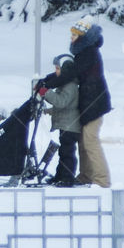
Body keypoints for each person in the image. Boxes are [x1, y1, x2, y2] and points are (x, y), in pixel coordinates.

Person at [38, 15, 112, 187]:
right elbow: (65, 73)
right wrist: (45, 82)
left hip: (95, 104)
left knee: (90, 141)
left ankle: (102, 180)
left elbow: (69, 75)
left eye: (75, 35)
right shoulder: (83, 53)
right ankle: (86, 176)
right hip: (87, 105)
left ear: (84, 37)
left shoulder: (89, 53)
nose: (71, 38)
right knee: (84, 141)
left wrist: (45, 86)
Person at [38, 54, 80, 187]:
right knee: (64, 152)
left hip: (70, 125)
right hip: (66, 124)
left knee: (67, 152)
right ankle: (60, 176)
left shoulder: (70, 86)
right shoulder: (65, 83)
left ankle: (67, 177)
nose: (56, 71)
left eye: (58, 68)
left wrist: (46, 92)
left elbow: (61, 101)